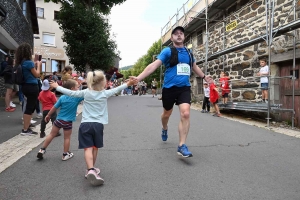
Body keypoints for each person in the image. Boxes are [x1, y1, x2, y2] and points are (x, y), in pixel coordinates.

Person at [132, 26, 211, 158]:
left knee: (185, 114)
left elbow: (194, 67)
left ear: (184, 37)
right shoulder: (167, 51)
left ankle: (182, 145)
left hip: (184, 88)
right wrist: (139, 78)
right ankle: (164, 128)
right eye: (176, 34)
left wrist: (204, 77)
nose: (179, 35)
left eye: (181, 33)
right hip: (169, 88)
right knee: (166, 114)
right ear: (172, 38)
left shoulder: (189, 53)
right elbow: (154, 65)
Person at [49, 70, 135, 186]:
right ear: (104, 82)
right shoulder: (105, 93)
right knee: (95, 148)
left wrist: (57, 86)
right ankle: (92, 169)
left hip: (85, 125)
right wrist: (128, 84)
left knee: (87, 148)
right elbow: (117, 89)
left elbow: (71, 93)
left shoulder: (85, 93)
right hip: (98, 125)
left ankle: (90, 169)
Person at [37, 79, 83, 160]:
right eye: (77, 87)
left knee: (51, 134)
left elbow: (54, 107)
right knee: (67, 138)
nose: (79, 89)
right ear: (72, 88)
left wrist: (48, 115)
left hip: (58, 120)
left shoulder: (62, 97)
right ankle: (65, 154)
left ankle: (42, 149)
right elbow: (86, 95)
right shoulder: (77, 98)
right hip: (68, 122)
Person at [16, 43, 42, 136]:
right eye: (30, 50)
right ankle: (25, 130)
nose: (31, 51)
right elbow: (37, 75)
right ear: (27, 51)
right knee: (30, 107)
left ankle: (27, 125)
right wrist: (38, 65)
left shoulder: (23, 62)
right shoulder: (29, 62)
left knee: (32, 106)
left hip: (25, 86)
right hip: (32, 86)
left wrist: (34, 65)